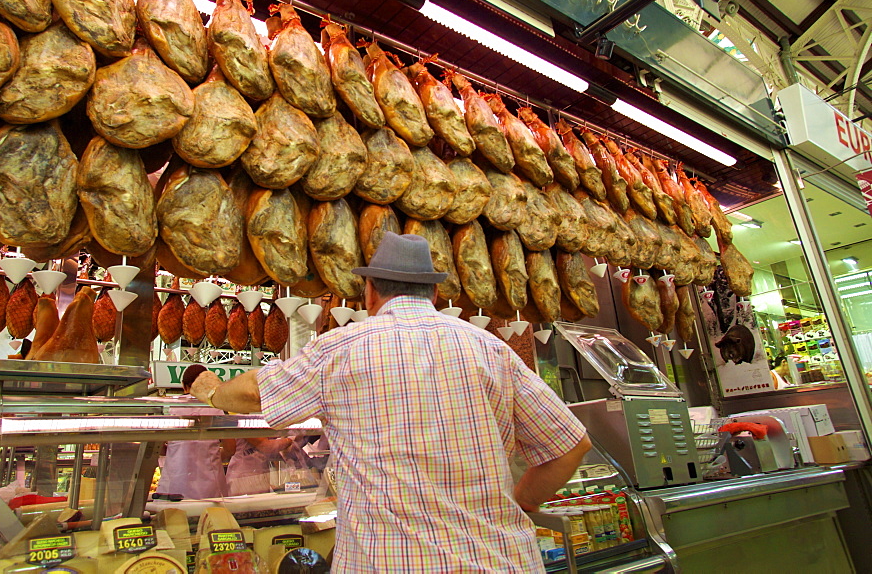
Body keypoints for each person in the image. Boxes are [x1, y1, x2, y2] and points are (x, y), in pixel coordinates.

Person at [191, 232, 591, 572]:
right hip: (499, 560)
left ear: (370, 291)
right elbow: (572, 446)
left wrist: (210, 390)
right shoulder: (492, 349)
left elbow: (252, 393)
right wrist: (522, 501)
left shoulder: (341, 348)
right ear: (434, 293)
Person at [155, 365, 232, 500]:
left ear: (184, 385)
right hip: (210, 486)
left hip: (175, 484)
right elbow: (231, 449)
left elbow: (158, 448)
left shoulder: (171, 408)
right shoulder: (218, 407)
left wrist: (176, 450)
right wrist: (208, 455)